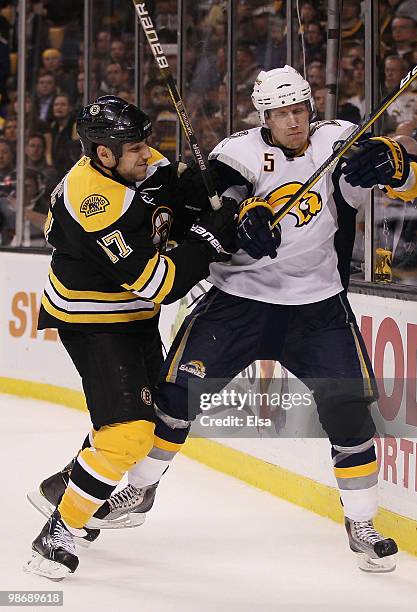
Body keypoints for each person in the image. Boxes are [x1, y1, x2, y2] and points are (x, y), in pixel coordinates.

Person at [30, 69, 417, 574]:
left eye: (300, 109)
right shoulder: (235, 153)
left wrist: (399, 166)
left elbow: (415, 182)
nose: (294, 122)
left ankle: (363, 523)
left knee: (349, 415)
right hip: (236, 302)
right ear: (263, 116)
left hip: (318, 307)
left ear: (311, 105)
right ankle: (137, 489)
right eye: (282, 114)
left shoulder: (337, 140)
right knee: (170, 404)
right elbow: (210, 205)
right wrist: (236, 223)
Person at [24, 95, 238, 580]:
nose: (148, 154)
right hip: (92, 319)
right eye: (135, 148)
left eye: (146, 143)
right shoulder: (92, 202)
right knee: (129, 433)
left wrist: (205, 193)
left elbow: (169, 203)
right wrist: (209, 242)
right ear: (103, 154)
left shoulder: (138, 164)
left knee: (137, 415)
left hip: (134, 315)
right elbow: (158, 283)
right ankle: (57, 534)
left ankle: (66, 486)